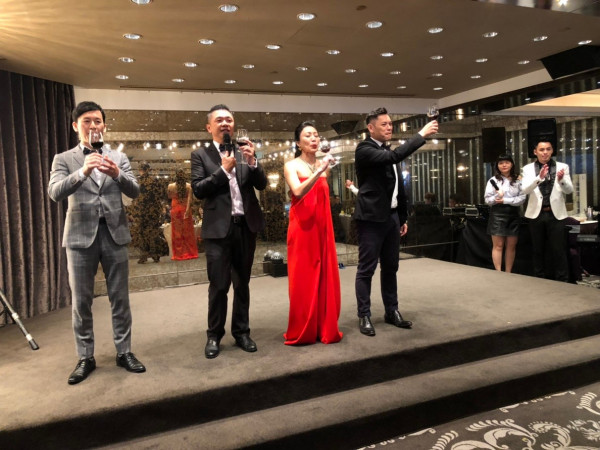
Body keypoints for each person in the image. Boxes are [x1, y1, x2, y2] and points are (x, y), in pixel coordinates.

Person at [48, 101, 146, 385]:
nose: (94, 126)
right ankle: (85, 357)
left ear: (104, 125)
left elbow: (135, 190)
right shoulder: (63, 159)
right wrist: (82, 172)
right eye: (87, 121)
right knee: (81, 301)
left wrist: (117, 174)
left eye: (98, 121)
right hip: (80, 237)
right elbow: (54, 192)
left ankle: (124, 352)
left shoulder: (118, 156)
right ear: (75, 126)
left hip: (115, 234)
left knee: (120, 298)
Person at [191, 104, 268, 358]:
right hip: (217, 230)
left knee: (242, 283)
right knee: (219, 285)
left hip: (245, 227)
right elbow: (199, 189)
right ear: (209, 127)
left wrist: (253, 162)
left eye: (229, 120)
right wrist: (223, 170)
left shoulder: (244, 151)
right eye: (219, 120)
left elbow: (261, 184)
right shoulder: (200, 155)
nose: (225, 123)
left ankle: (242, 332)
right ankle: (214, 335)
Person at [353, 107, 438, 336]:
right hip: (371, 219)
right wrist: (421, 134)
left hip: (391, 218)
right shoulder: (364, 149)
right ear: (370, 128)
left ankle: (392, 311)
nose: (389, 127)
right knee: (366, 269)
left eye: (391, 124)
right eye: (384, 124)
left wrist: (402, 217)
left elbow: (399, 188)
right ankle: (364, 315)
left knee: (391, 267)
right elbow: (393, 157)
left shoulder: (388, 150)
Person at [283, 121, 343, 345]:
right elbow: (298, 191)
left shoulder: (323, 165)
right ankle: (303, 328)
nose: (314, 139)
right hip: (302, 229)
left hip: (322, 228)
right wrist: (319, 171)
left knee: (325, 276)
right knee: (303, 278)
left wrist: (322, 168)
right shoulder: (291, 165)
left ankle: (322, 326)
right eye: (308, 135)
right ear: (298, 143)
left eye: (316, 135)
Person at [521, 140, 573, 282]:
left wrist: (562, 180)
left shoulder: (562, 167)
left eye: (548, 149)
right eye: (542, 149)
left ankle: (563, 281)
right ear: (535, 152)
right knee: (537, 250)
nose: (545, 152)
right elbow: (525, 190)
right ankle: (539, 280)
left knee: (559, 250)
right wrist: (539, 178)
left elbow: (569, 190)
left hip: (556, 214)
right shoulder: (527, 168)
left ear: (552, 151)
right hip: (536, 214)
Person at [484, 154, 525, 273]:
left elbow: (522, 199)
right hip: (497, 213)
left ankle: (508, 273)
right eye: (501, 163)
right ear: (497, 166)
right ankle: (498, 273)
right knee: (498, 245)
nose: (504, 165)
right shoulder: (493, 180)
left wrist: (505, 200)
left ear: (512, 164)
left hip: (513, 213)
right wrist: (497, 196)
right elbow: (487, 200)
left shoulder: (519, 179)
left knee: (511, 246)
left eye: (507, 162)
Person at [130, 162, 166, 263]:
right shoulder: (154, 180)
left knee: (142, 233)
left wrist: (134, 210)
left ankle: (144, 255)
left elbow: (134, 197)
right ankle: (155, 255)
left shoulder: (137, 181)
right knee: (153, 232)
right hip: (153, 210)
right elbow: (160, 195)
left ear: (140, 170)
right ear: (148, 169)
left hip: (141, 211)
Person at [167, 169, 199, 261]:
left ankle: (178, 254)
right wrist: (187, 210)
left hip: (175, 208)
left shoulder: (170, 186)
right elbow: (190, 199)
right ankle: (190, 252)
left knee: (177, 232)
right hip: (185, 208)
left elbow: (169, 196)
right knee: (187, 231)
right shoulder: (188, 186)